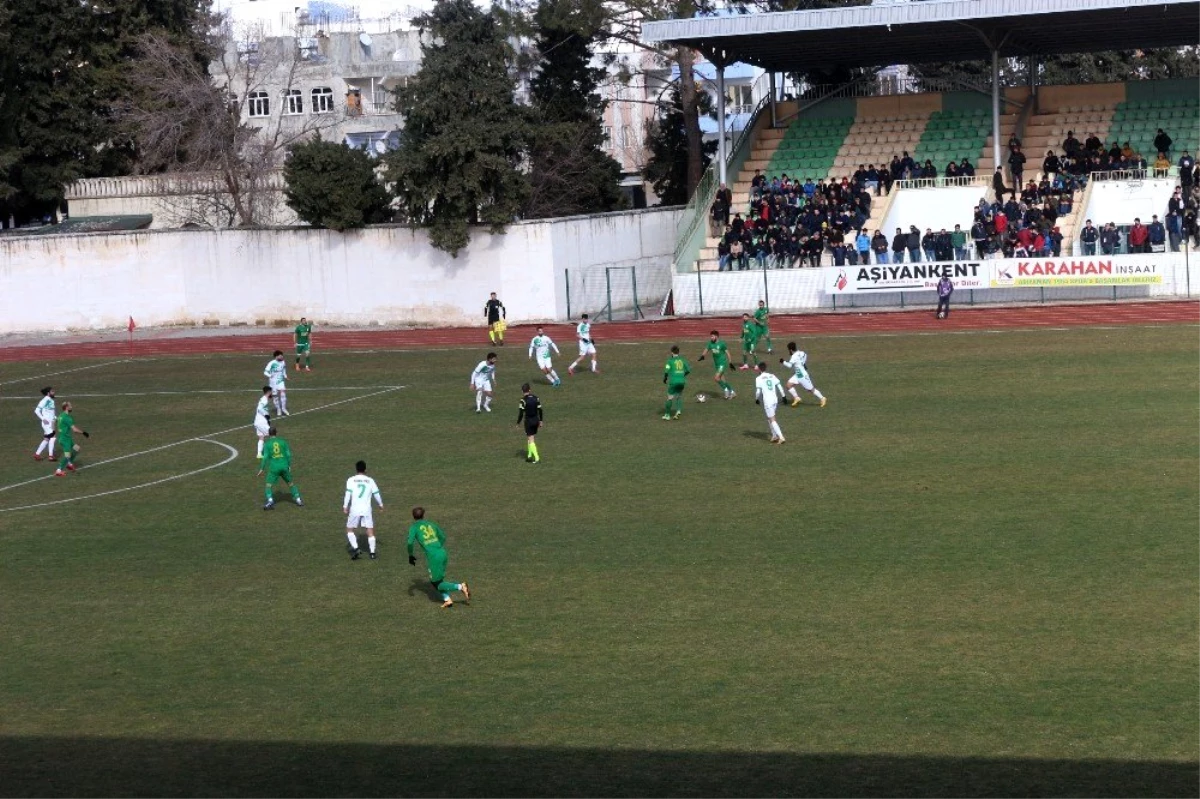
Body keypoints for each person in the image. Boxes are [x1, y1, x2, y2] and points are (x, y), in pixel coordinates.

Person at [407, 507, 471, 609]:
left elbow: (410, 542)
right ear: (423, 515)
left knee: (435, 583)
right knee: (439, 580)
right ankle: (447, 600)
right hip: (442, 552)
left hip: (434, 557)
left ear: (413, 516)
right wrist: (437, 547)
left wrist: (410, 555)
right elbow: (443, 537)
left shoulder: (414, 527)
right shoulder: (431, 524)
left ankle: (460, 586)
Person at [344, 460, 383, 560]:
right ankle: (373, 553)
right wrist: (380, 504)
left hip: (355, 509)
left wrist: (345, 506)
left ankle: (356, 548)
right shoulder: (370, 480)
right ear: (365, 469)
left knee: (349, 530)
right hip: (366, 509)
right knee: (370, 531)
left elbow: (348, 494)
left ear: (356, 469)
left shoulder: (351, 480)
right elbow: (376, 494)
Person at [258, 426, 303, 510]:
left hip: (274, 468)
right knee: (291, 484)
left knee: (268, 485)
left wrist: (262, 469)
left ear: (268, 434)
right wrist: (289, 465)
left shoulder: (267, 444)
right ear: (276, 433)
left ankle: (270, 500)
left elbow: (265, 457)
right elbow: (288, 455)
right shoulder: (283, 442)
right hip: (284, 466)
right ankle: (298, 499)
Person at [779, 342, 826, 408]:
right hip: (797, 374)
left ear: (790, 350)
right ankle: (796, 397)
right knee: (788, 385)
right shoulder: (802, 353)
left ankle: (822, 398)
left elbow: (789, 365)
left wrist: (783, 362)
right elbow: (805, 357)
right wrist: (802, 363)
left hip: (802, 376)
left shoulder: (793, 356)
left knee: (811, 389)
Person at [53, 401, 88, 477]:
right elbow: (74, 430)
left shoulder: (61, 415)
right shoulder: (67, 418)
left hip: (66, 439)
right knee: (67, 456)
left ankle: (69, 464)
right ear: (66, 407)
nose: (71, 407)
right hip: (66, 440)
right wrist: (83, 432)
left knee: (77, 449)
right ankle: (58, 470)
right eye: (70, 406)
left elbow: (55, 421)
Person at [754, 362, 787, 445]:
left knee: (772, 419)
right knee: (769, 418)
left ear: (759, 369)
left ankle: (781, 437)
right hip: (775, 400)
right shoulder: (772, 376)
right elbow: (779, 386)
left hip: (768, 401)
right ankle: (774, 435)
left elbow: (758, 391)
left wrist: (757, 399)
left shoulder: (758, 378)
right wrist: (783, 396)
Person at [698, 330, 736, 400]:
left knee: (716, 378)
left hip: (722, 363)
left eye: (712, 336)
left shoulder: (722, 344)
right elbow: (706, 349)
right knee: (723, 380)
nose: (711, 337)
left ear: (717, 336)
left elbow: (728, 353)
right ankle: (733, 392)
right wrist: (703, 356)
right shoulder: (710, 343)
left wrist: (730, 362)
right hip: (717, 364)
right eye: (711, 336)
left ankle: (726, 390)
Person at [517, 383, 544, 463]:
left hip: (528, 421)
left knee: (531, 439)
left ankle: (537, 458)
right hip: (536, 420)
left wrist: (518, 423)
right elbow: (540, 410)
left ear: (522, 391)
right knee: (530, 438)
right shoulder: (536, 398)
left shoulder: (522, 400)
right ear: (530, 390)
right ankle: (529, 456)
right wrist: (541, 420)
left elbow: (521, 413)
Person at [661, 345, 690, 421]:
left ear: (672, 352)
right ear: (678, 352)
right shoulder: (683, 360)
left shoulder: (670, 361)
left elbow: (666, 371)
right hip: (682, 381)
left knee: (670, 398)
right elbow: (688, 370)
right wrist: (683, 375)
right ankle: (678, 411)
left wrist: (665, 378)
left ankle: (667, 415)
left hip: (673, 381)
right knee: (679, 396)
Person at [33, 386, 56, 461]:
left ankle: (37, 454)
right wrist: (43, 419)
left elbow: (51, 412)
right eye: (52, 391)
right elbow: (36, 411)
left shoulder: (50, 400)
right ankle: (50, 456)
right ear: (48, 393)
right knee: (53, 437)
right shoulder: (45, 400)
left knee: (46, 439)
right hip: (47, 423)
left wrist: (55, 418)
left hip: (51, 422)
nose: (54, 392)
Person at [264, 350, 289, 416]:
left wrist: (285, 376)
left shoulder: (283, 362)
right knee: (275, 396)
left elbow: (283, 369)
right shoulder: (271, 363)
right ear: (276, 356)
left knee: (283, 393)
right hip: (273, 382)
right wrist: (270, 375)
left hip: (280, 381)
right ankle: (278, 409)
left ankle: (284, 408)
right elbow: (265, 372)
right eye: (280, 355)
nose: (282, 356)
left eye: (282, 355)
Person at [254, 385, 272, 459]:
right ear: (269, 392)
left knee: (261, 437)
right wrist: (266, 416)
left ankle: (259, 454)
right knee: (272, 435)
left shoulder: (263, 399)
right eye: (271, 391)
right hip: (261, 422)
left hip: (257, 422)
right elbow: (259, 408)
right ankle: (272, 452)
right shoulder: (264, 399)